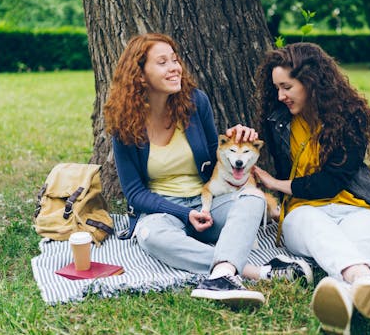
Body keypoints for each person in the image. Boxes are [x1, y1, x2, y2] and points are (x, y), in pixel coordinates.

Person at [103, 33, 312, 307]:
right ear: (140, 75)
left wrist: (235, 142)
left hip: (209, 204)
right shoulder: (124, 125)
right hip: (164, 212)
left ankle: (223, 275)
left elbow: (215, 158)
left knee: (253, 199)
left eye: (175, 60)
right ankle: (253, 272)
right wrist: (185, 213)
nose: (175, 68)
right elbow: (134, 194)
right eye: (162, 62)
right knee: (149, 236)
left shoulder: (194, 102)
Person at [253, 42, 370, 332]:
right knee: (317, 227)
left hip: (355, 206)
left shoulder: (350, 116)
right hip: (303, 212)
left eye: (287, 87)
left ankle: (344, 295)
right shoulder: (278, 120)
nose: (280, 96)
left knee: (365, 232)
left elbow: (329, 182)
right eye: (277, 88)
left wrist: (276, 183)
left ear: (310, 81)